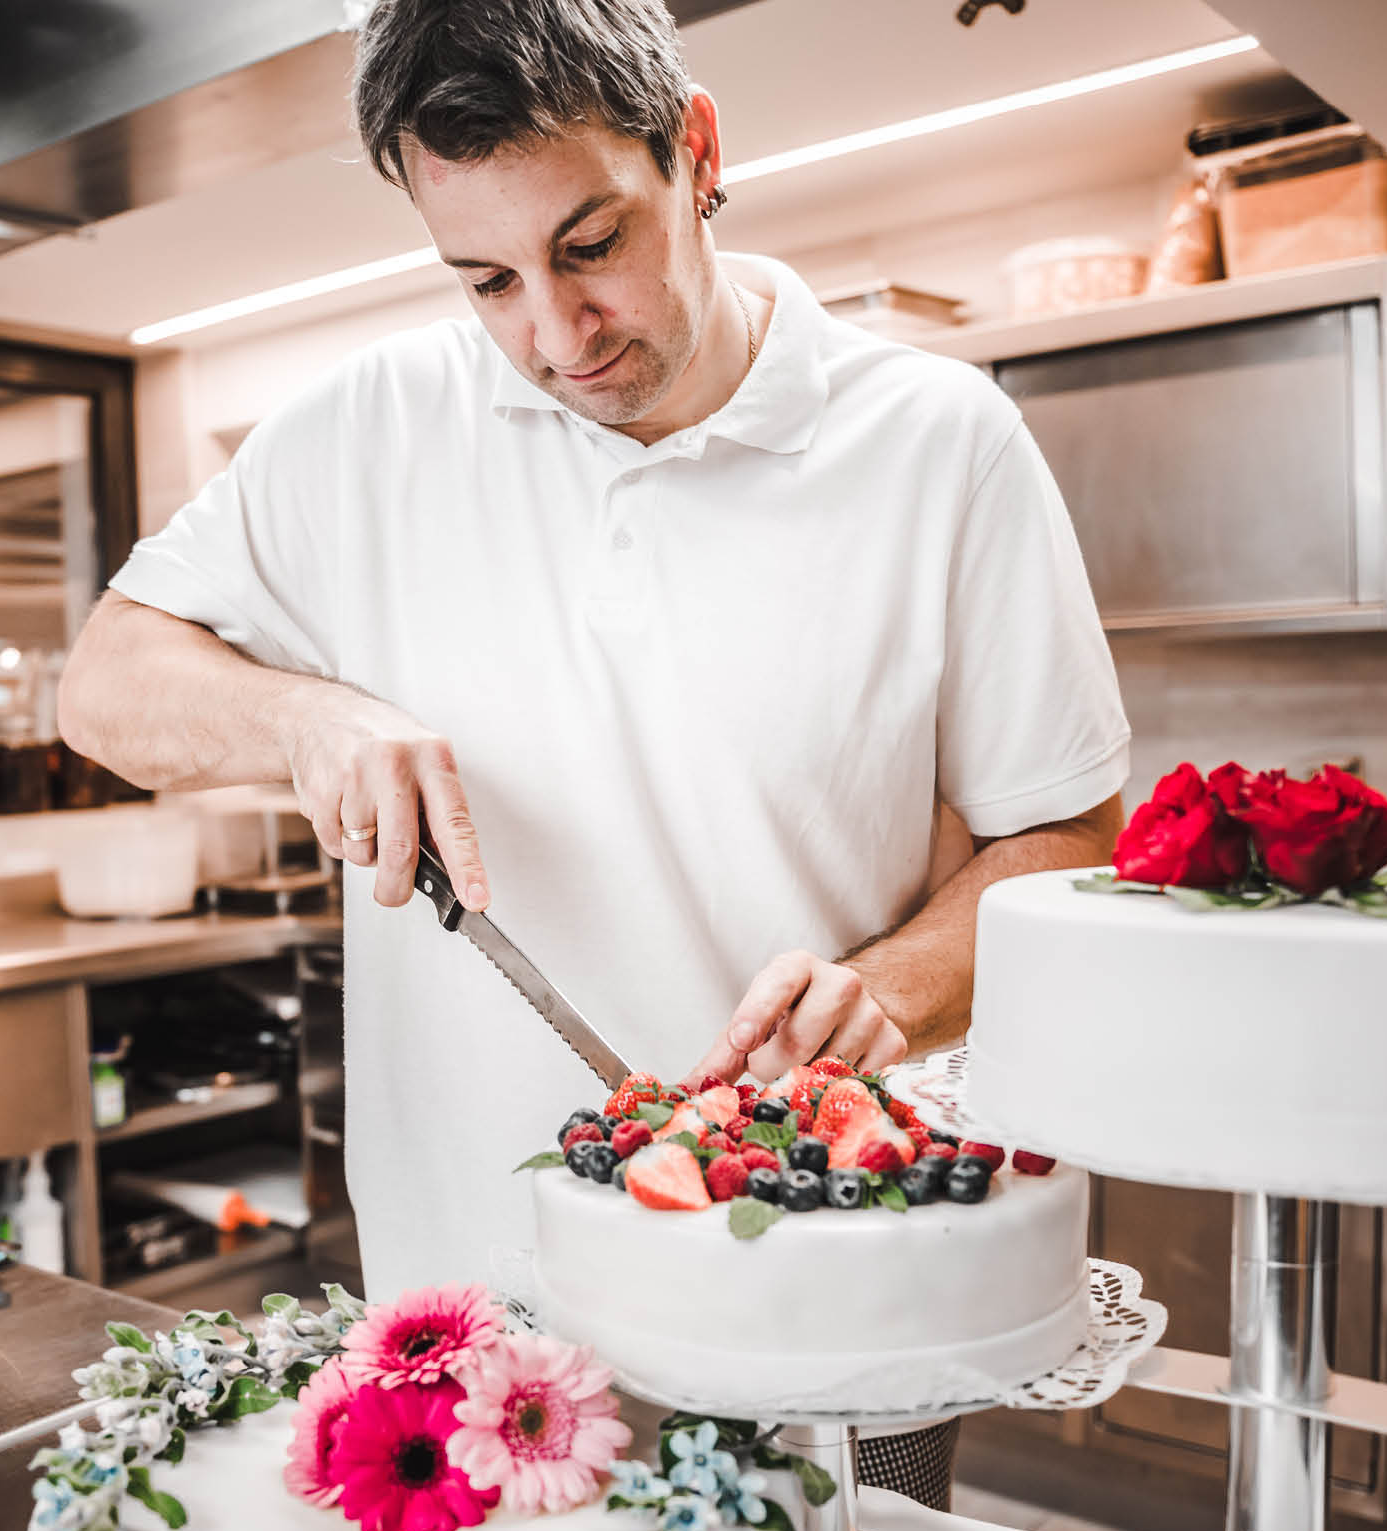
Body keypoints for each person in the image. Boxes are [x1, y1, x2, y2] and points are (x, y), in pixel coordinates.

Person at [58, 0, 1127, 1300]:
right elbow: (104, 683)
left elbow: (1069, 836)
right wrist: (303, 717)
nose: (561, 336)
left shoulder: (941, 443)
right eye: (489, 281)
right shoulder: (369, 429)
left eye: (593, 244)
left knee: (876, 1518)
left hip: (835, 1268)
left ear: (698, 150)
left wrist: (889, 990)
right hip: (471, 1313)